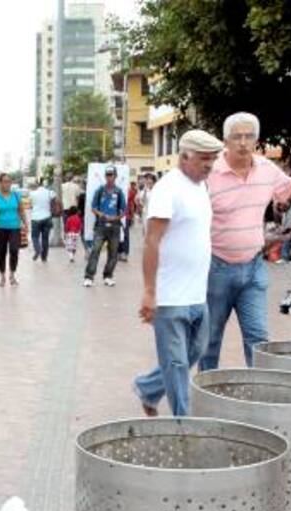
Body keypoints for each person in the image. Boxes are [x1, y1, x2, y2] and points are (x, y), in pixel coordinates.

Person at [201, 111, 291, 369]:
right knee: (209, 339)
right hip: (216, 268)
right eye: (236, 136)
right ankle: (206, 389)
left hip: (253, 268)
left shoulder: (266, 169)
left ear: (256, 140)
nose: (243, 142)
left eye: (249, 136)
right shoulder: (209, 172)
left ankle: (260, 389)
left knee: (258, 338)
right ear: (225, 140)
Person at [131, 130, 224, 417]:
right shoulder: (167, 189)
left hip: (197, 293)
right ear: (184, 156)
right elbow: (151, 241)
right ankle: (184, 424)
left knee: (197, 351)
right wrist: (149, 292)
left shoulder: (202, 186)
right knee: (177, 364)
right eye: (204, 159)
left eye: (213, 159)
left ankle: (148, 387)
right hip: (170, 296)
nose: (209, 165)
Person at [83, 166, 126, 287]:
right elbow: (93, 207)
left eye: (111, 175)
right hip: (100, 226)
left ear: (115, 176)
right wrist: (100, 214)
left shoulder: (119, 192)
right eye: (107, 175)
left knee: (113, 253)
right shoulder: (99, 190)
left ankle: (108, 276)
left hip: (115, 226)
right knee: (95, 250)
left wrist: (115, 218)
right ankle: (89, 277)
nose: (109, 177)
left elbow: (124, 210)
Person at [0, 172, 25, 287]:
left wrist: (26, 223)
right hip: (0, 228)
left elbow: (21, 210)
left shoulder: (16, 195)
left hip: (15, 227)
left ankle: (12, 275)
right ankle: (2, 276)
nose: (7, 184)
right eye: (5, 181)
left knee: (14, 250)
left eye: (9, 181)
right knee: (1, 252)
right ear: (0, 183)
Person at [29, 179, 55, 263]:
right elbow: (53, 202)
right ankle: (44, 258)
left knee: (34, 236)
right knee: (45, 239)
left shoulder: (32, 193)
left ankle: (38, 249)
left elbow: (31, 205)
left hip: (35, 218)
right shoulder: (50, 192)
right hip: (47, 217)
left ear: (37, 184)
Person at [119, 179, 141, 262]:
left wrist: (132, 216)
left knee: (125, 235)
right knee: (117, 235)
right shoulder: (115, 190)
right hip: (116, 216)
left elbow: (131, 201)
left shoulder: (130, 192)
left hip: (126, 216)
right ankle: (119, 252)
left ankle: (125, 253)